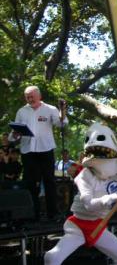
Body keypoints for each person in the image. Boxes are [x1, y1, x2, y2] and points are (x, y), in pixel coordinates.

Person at [44, 123, 117, 265]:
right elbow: (89, 204)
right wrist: (111, 198)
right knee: (52, 258)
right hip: (78, 226)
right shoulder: (84, 175)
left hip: (99, 227)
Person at [10, 86, 68, 220]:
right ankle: (32, 214)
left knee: (49, 181)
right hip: (28, 150)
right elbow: (14, 136)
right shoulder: (21, 111)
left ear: (39, 96)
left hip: (46, 149)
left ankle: (52, 214)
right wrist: (15, 134)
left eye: (32, 96)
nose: (30, 99)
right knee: (31, 183)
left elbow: (62, 123)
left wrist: (62, 110)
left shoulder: (50, 109)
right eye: (27, 97)